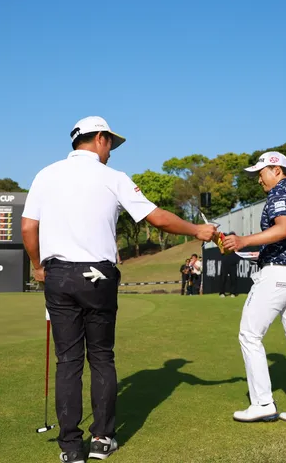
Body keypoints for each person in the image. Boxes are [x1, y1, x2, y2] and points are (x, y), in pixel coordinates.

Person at [20, 116, 216, 463]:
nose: (111, 151)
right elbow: (156, 217)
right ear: (100, 138)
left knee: (68, 361)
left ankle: (71, 448)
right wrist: (197, 230)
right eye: (111, 143)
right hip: (98, 276)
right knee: (100, 357)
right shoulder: (113, 178)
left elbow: (27, 227)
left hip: (58, 274)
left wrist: (38, 266)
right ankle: (102, 439)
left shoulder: (45, 174)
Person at [222, 151, 286, 424]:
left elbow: (283, 229)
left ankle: (263, 403)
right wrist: (263, 253)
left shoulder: (280, 192)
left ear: (277, 170)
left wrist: (244, 241)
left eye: (261, 173)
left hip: (279, 276)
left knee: (249, 335)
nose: (259, 179)